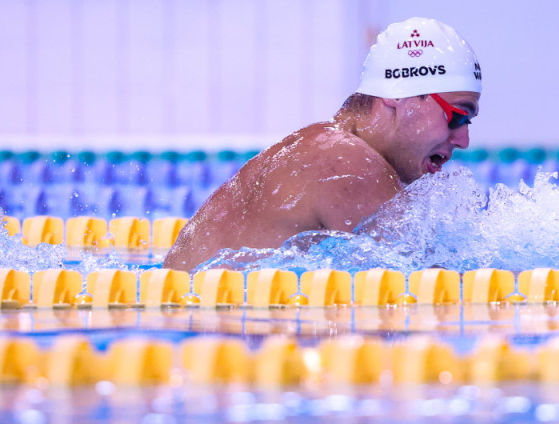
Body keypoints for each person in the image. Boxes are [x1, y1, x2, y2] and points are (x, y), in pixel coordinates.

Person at [163, 17, 482, 271]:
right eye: (457, 116)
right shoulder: (346, 164)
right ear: (398, 94)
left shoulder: (324, 145)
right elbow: (436, 289)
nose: (463, 140)